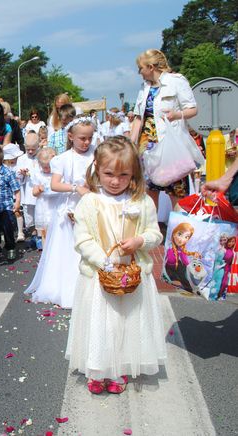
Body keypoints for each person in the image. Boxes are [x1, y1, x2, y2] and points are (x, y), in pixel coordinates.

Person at [66, 136, 166, 395]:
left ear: (133, 173)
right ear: (97, 170)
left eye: (123, 174)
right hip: (100, 275)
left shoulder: (141, 201)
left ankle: (120, 365)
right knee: (102, 323)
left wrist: (140, 240)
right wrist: (104, 262)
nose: (115, 180)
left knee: (127, 322)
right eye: (109, 173)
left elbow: (156, 233)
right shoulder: (90, 202)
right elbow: (83, 239)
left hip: (133, 276)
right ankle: (99, 368)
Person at [26, 117, 96, 308]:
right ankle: (68, 287)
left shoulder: (95, 155)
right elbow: (55, 184)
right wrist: (76, 188)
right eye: (82, 138)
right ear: (71, 137)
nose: (87, 142)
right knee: (69, 248)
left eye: (90, 137)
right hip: (70, 207)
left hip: (92, 204)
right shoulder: (63, 159)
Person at [130, 48, 198, 209]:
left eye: (141, 68)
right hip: (147, 147)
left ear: (151, 67)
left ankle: (178, 229)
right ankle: (152, 230)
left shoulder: (176, 81)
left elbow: (193, 109)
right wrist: (131, 142)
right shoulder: (144, 87)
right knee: (148, 191)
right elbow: (139, 117)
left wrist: (176, 114)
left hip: (170, 144)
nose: (139, 72)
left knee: (176, 190)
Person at [0, 145, 21, 262]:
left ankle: (10, 247)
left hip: (5, 206)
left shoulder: (7, 173)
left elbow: (16, 189)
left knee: (8, 228)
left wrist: (17, 202)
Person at [31, 147, 58, 248]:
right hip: (44, 206)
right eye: (44, 167)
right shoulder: (38, 175)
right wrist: (38, 189)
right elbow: (34, 192)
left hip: (55, 204)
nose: (47, 169)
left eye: (49, 166)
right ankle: (45, 250)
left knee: (56, 231)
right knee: (44, 232)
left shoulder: (57, 174)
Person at [16, 132, 40, 241]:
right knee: (29, 216)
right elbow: (17, 175)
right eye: (28, 149)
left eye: (33, 149)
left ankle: (40, 235)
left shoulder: (41, 156)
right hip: (27, 191)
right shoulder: (21, 159)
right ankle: (33, 234)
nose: (30, 152)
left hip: (39, 191)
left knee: (40, 214)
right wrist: (21, 173)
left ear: (38, 146)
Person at [163, 222, 200, 292]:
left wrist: (190, 265)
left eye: (186, 237)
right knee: (177, 274)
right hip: (169, 268)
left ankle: (189, 286)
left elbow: (185, 260)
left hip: (178, 267)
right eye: (179, 234)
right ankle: (187, 285)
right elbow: (170, 259)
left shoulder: (181, 249)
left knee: (183, 273)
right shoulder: (169, 246)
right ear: (174, 234)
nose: (182, 239)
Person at [210, 234, 233, 300]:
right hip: (215, 267)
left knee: (218, 282)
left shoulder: (227, 250)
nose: (222, 241)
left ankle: (214, 296)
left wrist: (221, 266)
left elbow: (227, 261)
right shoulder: (218, 248)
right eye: (221, 240)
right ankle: (211, 295)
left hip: (221, 268)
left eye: (225, 240)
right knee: (213, 281)